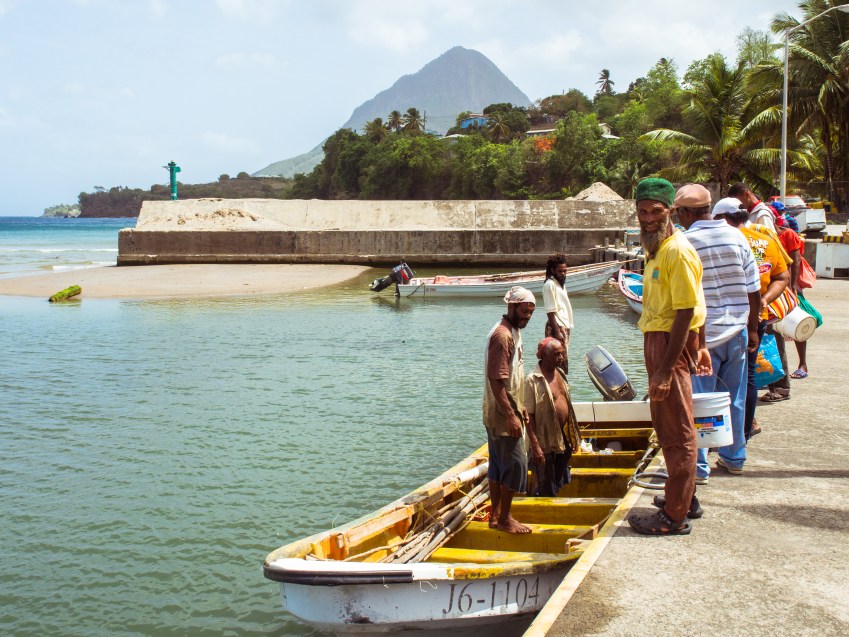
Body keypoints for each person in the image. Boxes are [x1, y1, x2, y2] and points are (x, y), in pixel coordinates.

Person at [627, 178, 708, 536]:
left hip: (668, 345)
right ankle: (685, 499)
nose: (647, 218)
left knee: (677, 430)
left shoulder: (677, 250)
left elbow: (686, 312)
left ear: (670, 211)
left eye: (655, 211)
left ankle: (674, 517)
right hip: (660, 341)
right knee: (666, 423)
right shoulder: (656, 249)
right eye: (642, 211)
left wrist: (663, 371)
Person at [676, 184, 760, 480]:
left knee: (699, 401)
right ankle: (734, 457)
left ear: (686, 213)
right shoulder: (736, 235)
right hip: (737, 331)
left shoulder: (684, 241)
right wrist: (753, 328)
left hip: (703, 337)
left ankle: (698, 466)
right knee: (733, 398)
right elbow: (753, 287)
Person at [712, 197, 789, 441]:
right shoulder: (766, 240)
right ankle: (743, 432)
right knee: (748, 377)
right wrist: (765, 299)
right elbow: (782, 276)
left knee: (716, 381)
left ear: (722, 218)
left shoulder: (723, 241)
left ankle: (719, 437)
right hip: (758, 318)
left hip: (725, 318)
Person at [483, 285, 535, 534]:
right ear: (512, 306)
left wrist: (520, 405)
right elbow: (497, 379)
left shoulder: (513, 331)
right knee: (515, 465)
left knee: (497, 465)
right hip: (501, 413)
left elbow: (512, 377)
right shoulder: (503, 336)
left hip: (503, 410)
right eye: (524, 311)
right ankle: (505, 518)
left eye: (531, 312)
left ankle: (495, 516)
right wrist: (511, 414)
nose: (527, 316)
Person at [524, 338, 581, 497]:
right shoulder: (532, 380)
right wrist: (535, 446)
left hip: (564, 435)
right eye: (556, 355)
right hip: (545, 440)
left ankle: (546, 495)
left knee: (557, 478)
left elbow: (566, 403)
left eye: (562, 354)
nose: (561, 358)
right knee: (547, 482)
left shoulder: (560, 373)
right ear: (544, 355)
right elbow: (527, 415)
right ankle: (544, 503)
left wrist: (573, 435)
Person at [542, 254, 574, 374]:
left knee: (563, 361)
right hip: (557, 326)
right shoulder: (550, 285)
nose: (563, 273)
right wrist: (557, 331)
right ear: (552, 270)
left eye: (565, 271)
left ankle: (562, 387)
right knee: (557, 362)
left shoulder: (560, 283)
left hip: (564, 326)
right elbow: (550, 311)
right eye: (560, 271)